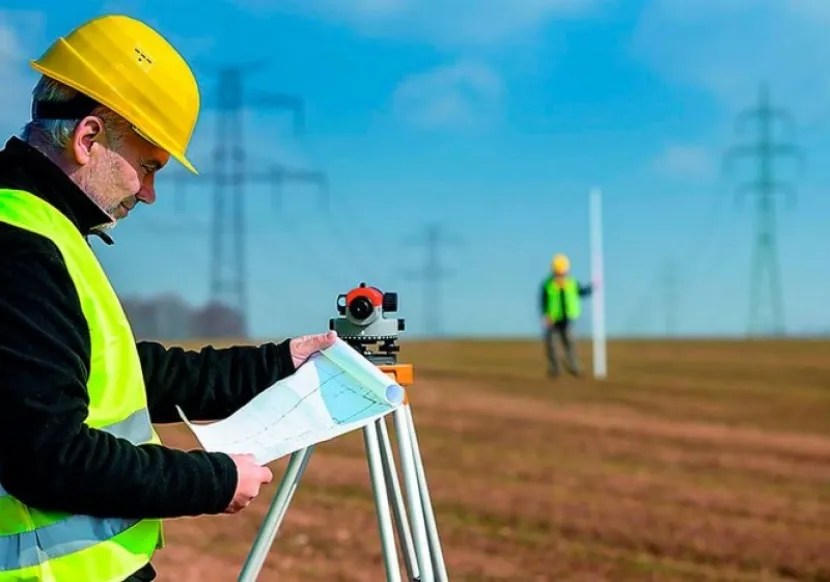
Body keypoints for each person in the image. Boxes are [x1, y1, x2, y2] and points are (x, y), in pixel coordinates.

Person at [0, 14, 336, 582]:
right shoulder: (19, 247)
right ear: (88, 139)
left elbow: (130, 373)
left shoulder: (41, 228)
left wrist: (281, 363)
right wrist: (213, 480)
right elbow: (46, 455)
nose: (150, 194)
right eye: (150, 166)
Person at [539, 253, 596, 377]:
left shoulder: (572, 283)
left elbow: (581, 292)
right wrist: (545, 315)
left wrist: (592, 288)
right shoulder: (547, 284)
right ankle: (555, 369)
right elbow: (543, 301)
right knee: (552, 345)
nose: (560, 274)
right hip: (553, 319)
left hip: (567, 318)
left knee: (570, 343)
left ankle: (574, 367)